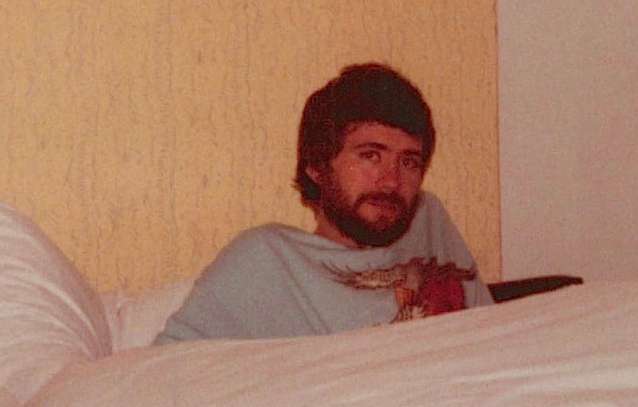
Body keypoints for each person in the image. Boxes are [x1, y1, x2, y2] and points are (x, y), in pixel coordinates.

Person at [156, 62, 494, 342]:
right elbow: (167, 375)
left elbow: (493, 338)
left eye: (409, 161)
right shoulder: (268, 260)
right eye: (370, 156)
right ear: (317, 166)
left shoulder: (428, 220)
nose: (392, 181)